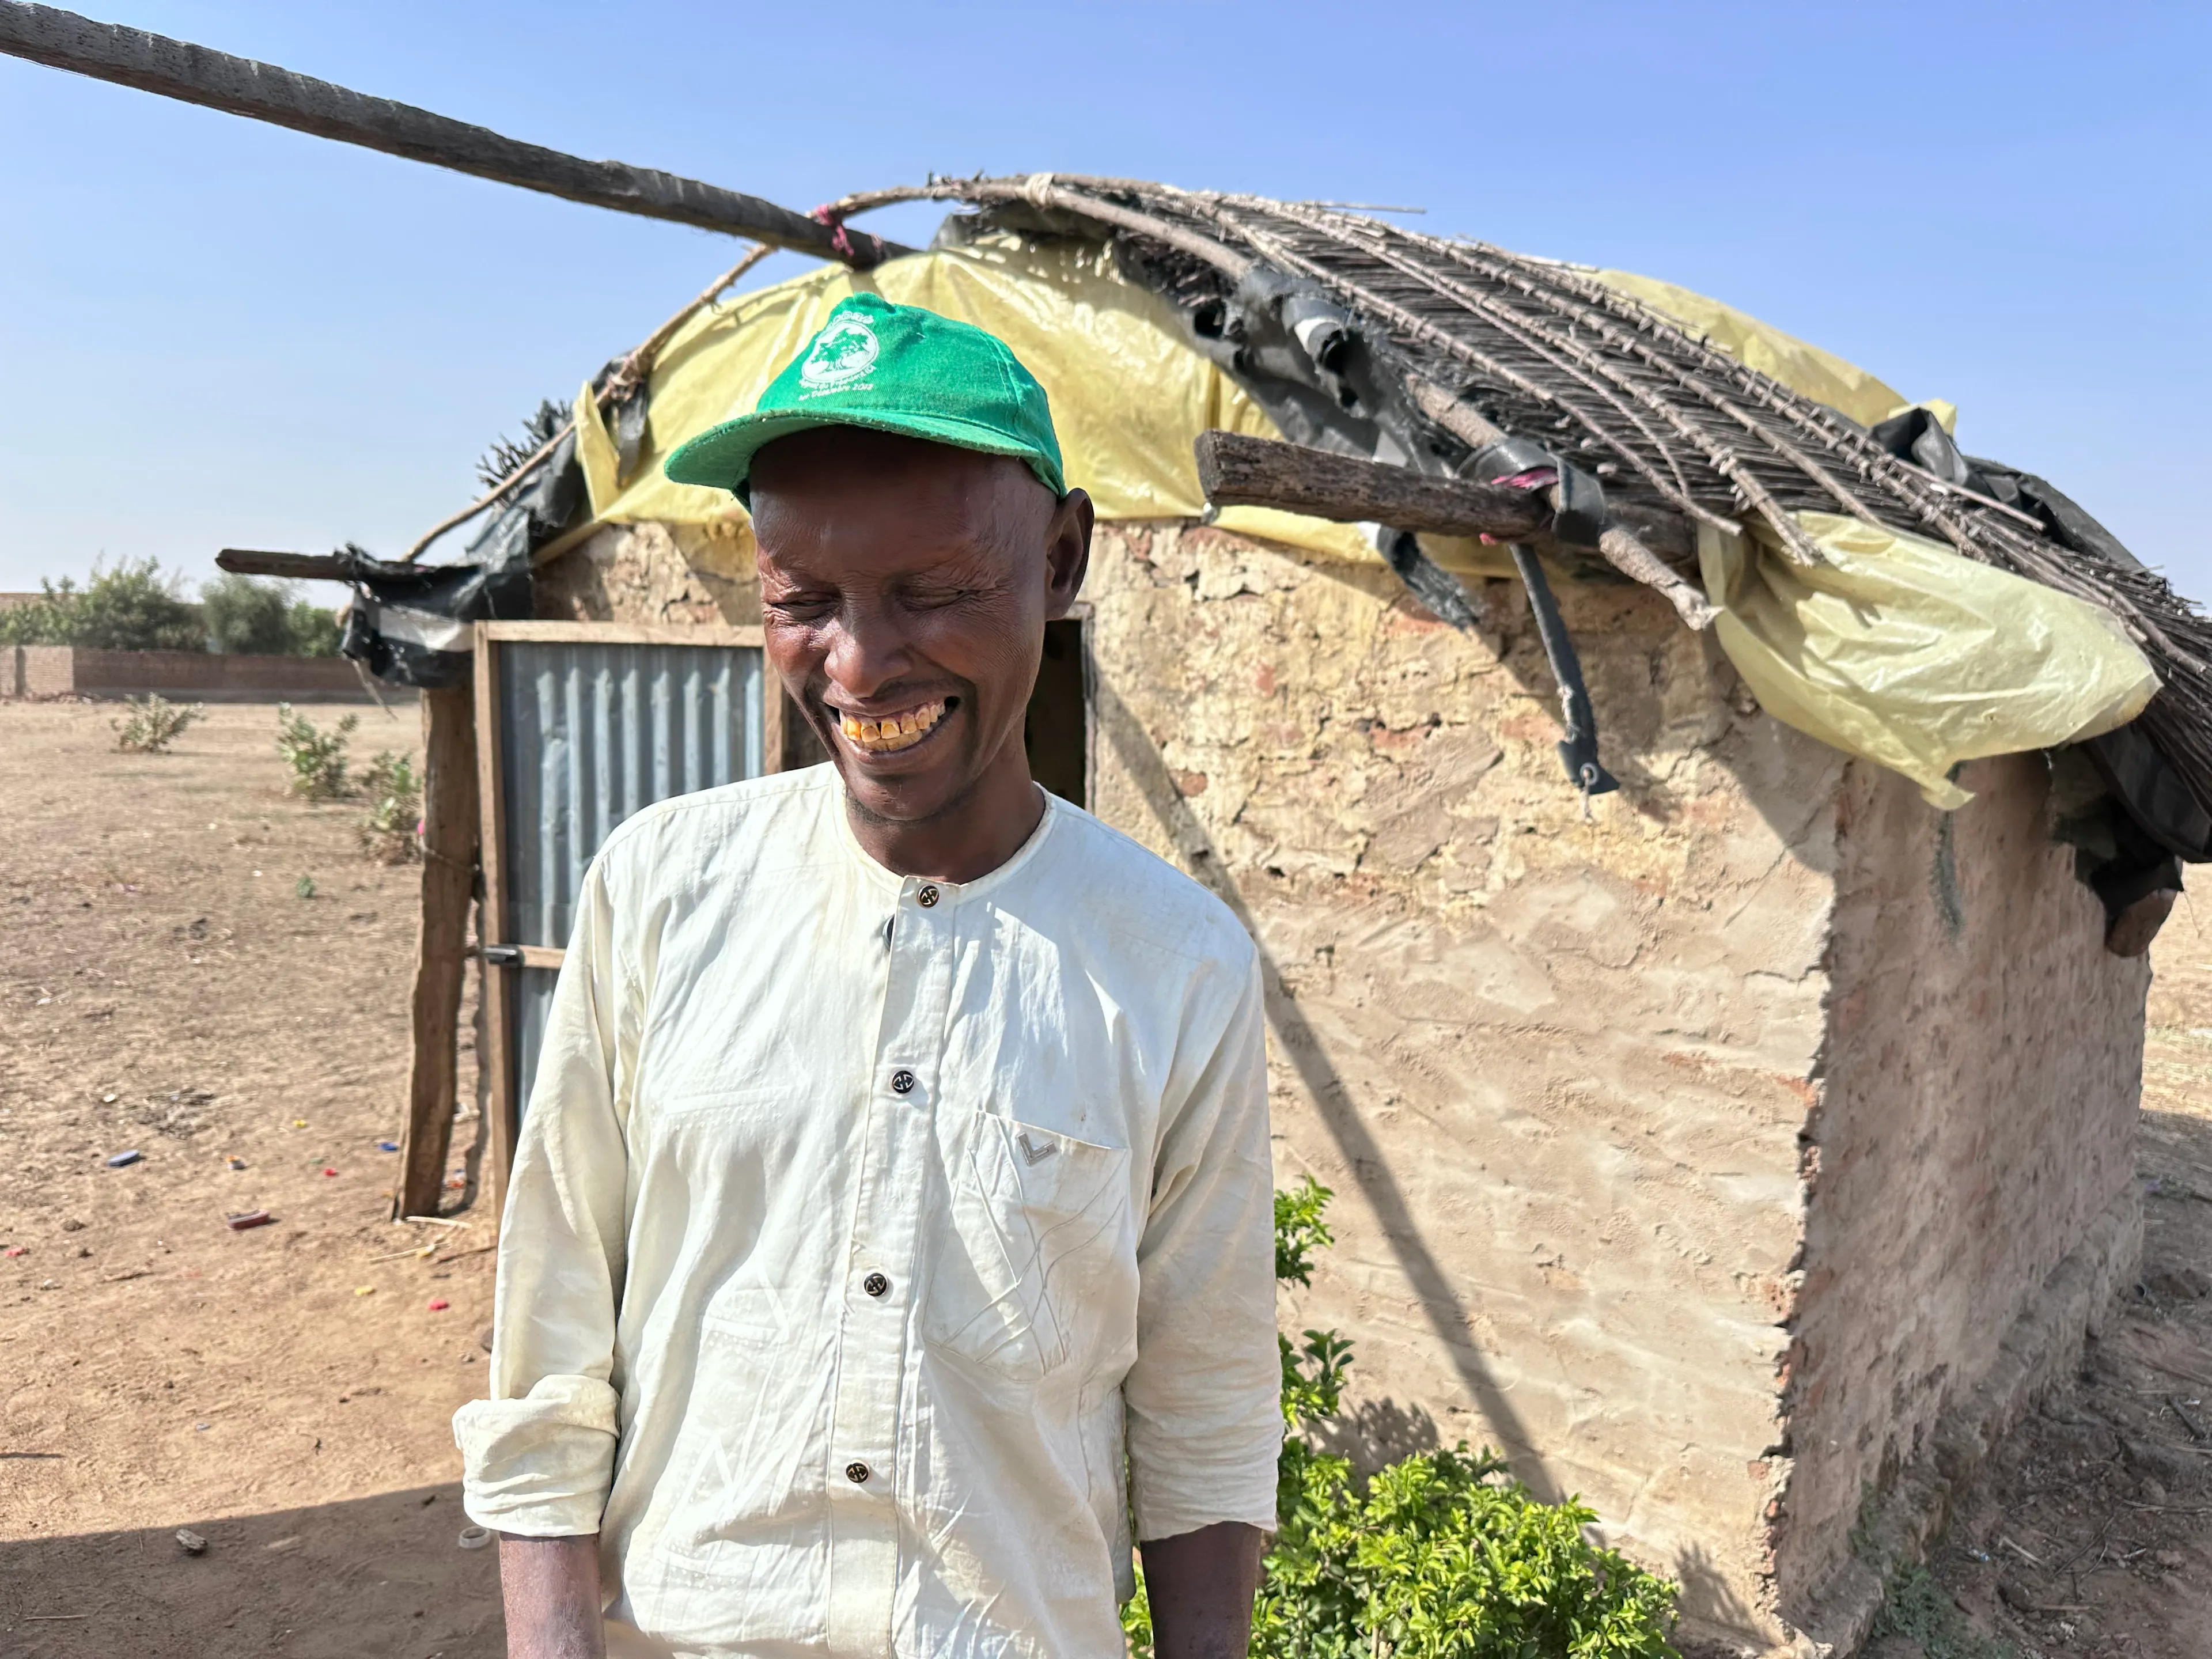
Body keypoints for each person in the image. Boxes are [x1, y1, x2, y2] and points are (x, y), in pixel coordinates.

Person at [455, 293, 1283, 1659]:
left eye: (935, 590)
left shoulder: (1174, 966)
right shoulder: (658, 893)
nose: (862, 662)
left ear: (1062, 557)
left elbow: (1203, 1416)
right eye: (805, 601)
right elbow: (552, 1352)